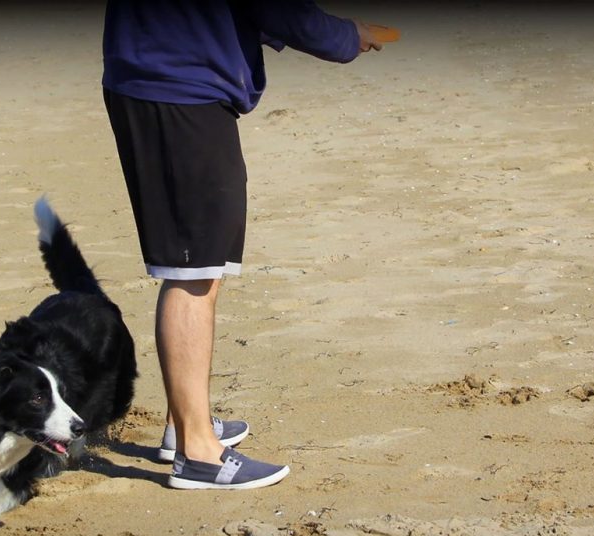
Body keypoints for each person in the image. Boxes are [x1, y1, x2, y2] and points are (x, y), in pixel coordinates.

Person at [102, 0, 384, 490]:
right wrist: (344, 36)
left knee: (197, 266)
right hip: (177, 88)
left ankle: (183, 424)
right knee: (193, 272)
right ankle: (197, 454)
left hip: (160, 76)